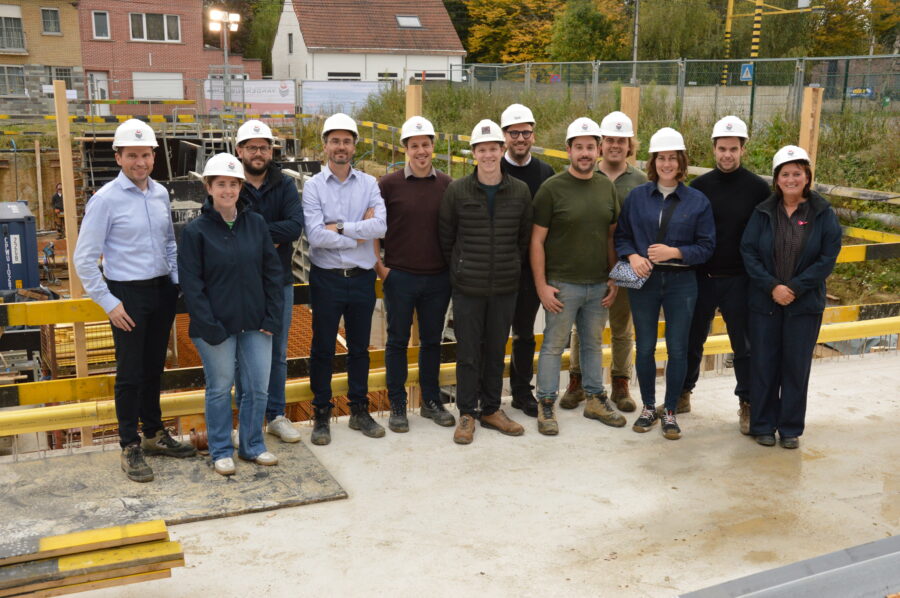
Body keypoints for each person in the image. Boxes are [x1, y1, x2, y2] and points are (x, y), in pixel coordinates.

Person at [74, 119, 196, 483]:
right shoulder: (105, 200)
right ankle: (130, 445)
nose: (139, 162)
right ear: (118, 157)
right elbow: (84, 259)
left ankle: (154, 434)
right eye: (132, 155)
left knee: (154, 367)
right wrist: (110, 303)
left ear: (154, 156)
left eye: (145, 155)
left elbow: (169, 244)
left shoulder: (159, 193)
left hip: (161, 292)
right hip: (127, 295)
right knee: (129, 373)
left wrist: (175, 283)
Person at [178, 153, 284, 475]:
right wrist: (209, 326)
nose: (227, 190)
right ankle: (221, 449)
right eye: (220, 184)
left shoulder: (256, 224)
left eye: (233, 184)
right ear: (208, 188)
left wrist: (272, 318)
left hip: (255, 323)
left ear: (240, 188)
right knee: (220, 387)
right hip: (216, 327)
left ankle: (252, 445)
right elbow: (191, 285)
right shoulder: (195, 231)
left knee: (257, 388)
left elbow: (272, 273)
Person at [614, 127, 715, 441]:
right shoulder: (638, 197)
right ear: (653, 161)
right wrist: (631, 256)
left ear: (681, 161)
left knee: (677, 348)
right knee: (644, 347)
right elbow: (622, 236)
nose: (667, 164)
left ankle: (669, 410)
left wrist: (676, 252)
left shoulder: (697, 201)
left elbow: (707, 246)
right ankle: (647, 407)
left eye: (672, 158)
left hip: (682, 282)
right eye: (661, 158)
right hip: (645, 280)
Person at [740, 145, 841, 449]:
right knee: (764, 364)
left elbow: (827, 257)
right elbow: (749, 251)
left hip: (804, 304)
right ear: (777, 179)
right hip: (765, 303)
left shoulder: (822, 213)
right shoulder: (763, 212)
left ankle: (790, 428)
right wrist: (772, 286)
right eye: (786, 173)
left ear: (807, 177)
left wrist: (795, 287)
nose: (791, 178)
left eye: (797, 173)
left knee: (796, 367)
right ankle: (763, 425)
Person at [439, 119, 532, 445]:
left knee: (495, 350)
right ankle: (467, 412)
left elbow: (523, 239)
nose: (489, 155)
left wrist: (509, 267)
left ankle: (491, 409)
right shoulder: (457, 190)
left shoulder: (519, 192)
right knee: (467, 353)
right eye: (482, 149)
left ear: (502, 150)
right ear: (474, 153)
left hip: (505, 287)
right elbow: (447, 238)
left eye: (494, 148)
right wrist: (461, 271)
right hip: (468, 288)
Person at [679, 116, 770, 433]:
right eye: (722, 149)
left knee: (744, 346)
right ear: (713, 149)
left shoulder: (759, 189)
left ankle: (747, 403)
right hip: (702, 277)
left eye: (733, 149)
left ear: (743, 148)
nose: (727, 155)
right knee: (692, 339)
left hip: (741, 281)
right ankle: (682, 394)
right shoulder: (700, 187)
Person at [531, 117, 621, 436]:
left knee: (593, 344)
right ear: (568, 150)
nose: (585, 153)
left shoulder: (606, 187)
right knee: (554, 345)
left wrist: (613, 278)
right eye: (579, 147)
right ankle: (545, 403)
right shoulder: (552, 189)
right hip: (562, 285)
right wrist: (542, 285)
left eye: (590, 147)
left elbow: (611, 236)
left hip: (598, 284)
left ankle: (595, 399)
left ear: (598, 150)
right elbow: (537, 241)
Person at [303, 113, 387, 446]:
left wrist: (338, 227)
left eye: (347, 141)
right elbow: (314, 236)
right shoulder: (313, 187)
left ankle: (359, 411)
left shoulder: (369, 184)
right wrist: (358, 235)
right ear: (325, 146)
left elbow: (379, 227)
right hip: (326, 279)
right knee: (322, 348)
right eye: (335, 140)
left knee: (359, 350)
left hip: (362, 279)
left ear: (354, 146)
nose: (341, 147)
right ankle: (321, 413)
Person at [561, 111, 647, 414]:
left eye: (621, 141)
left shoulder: (639, 180)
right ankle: (578, 381)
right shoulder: (585, 172)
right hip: (589, 262)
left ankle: (620, 383)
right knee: (582, 327)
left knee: (623, 326)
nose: (615, 145)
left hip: (626, 262)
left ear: (630, 145)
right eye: (610, 139)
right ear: (600, 144)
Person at [375, 116, 456, 432]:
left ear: (433, 146)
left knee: (432, 342)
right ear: (406, 148)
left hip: (438, 278)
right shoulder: (388, 185)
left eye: (425, 144)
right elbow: (373, 228)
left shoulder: (447, 184)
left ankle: (431, 402)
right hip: (401, 278)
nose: (420, 151)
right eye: (414, 145)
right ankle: (397, 404)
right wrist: (380, 268)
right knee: (396, 341)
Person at [233, 119, 305, 445]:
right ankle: (244, 420)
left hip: (278, 283)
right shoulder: (230, 183)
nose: (258, 153)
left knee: (277, 351)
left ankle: (275, 415)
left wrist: (254, 233)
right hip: (239, 284)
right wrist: (266, 236)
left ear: (271, 150)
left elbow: (294, 227)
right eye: (252, 147)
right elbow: (226, 227)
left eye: (263, 147)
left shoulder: (285, 185)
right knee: (238, 352)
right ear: (240, 151)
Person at [499, 103, 555, 418]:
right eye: (514, 133)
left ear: (533, 134)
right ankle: (488, 393)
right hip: (497, 269)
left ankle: (522, 392)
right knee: (492, 336)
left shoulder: (545, 173)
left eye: (525, 132)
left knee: (524, 335)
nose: (520, 138)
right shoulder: (493, 167)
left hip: (530, 270)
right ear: (504, 135)